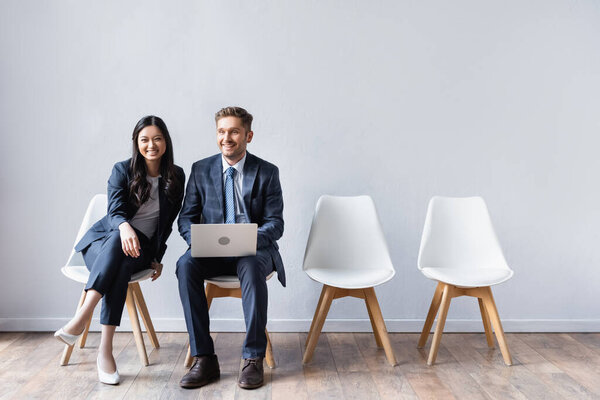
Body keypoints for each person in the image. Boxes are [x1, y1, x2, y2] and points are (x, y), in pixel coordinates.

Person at [54, 115, 185, 385]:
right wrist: (125, 228)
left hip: (141, 250)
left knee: (125, 259)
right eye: (145, 140)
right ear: (136, 143)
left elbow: (169, 223)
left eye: (157, 138)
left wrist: (158, 257)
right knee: (120, 246)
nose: (151, 145)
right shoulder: (121, 170)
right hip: (102, 245)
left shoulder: (176, 175)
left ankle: (82, 321)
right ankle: (104, 350)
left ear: (166, 142)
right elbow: (114, 212)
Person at [177, 106, 285, 390]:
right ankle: (204, 358)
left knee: (250, 266)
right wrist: (197, 240)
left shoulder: (267, 172)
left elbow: (275, 224)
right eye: (222, 132)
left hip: (253, 250)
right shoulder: (200, 169)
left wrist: (248, 238)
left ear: (248, 135)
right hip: (211, 249)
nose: (227, 138)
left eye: (234, 131)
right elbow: (186, 218)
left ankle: (253, 358)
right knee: (185, 264)